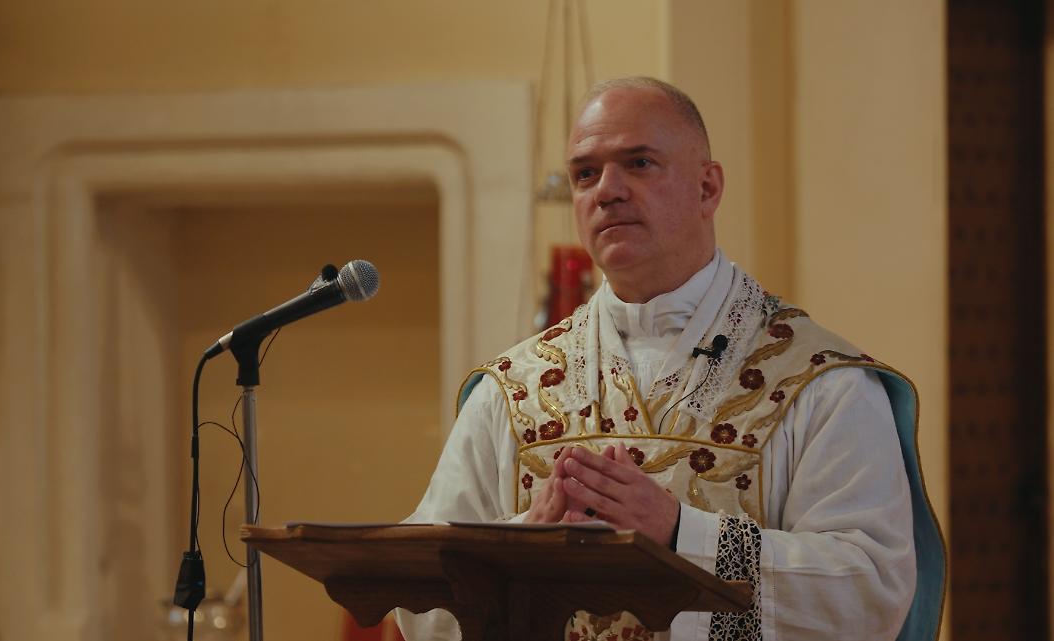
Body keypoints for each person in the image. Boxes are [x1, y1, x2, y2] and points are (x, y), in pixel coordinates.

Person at [397, 76, 944, 641]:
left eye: (638, 163)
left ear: (707, 189)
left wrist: (684, 535)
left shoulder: (821, 382)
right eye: (586, 173)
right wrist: (515, 548)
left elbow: (870, 592)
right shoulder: (511, 393)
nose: (607, 190)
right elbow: (415, 601)